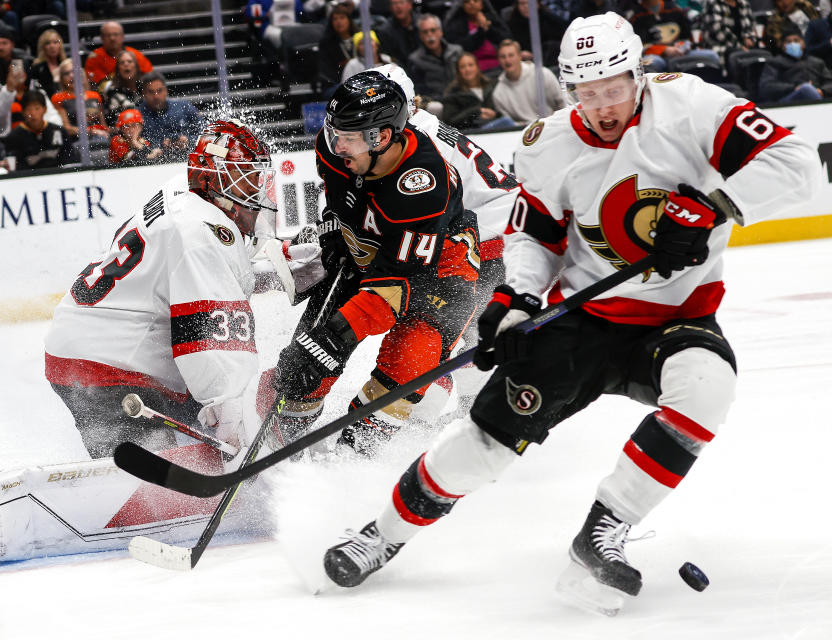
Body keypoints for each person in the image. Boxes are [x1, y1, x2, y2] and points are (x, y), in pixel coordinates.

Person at [321, 12, 820, 616]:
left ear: (639, 74)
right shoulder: (549, 143)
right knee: (485, 444)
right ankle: (381, 534)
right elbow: (537, 237)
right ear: (567, 89)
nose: (604, 106)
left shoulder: (693, 106)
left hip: (676, 318)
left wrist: (715, 206)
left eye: (614, 89)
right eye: (588, 94)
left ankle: (605, 531)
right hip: (585, 319)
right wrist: (516, 299)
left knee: (708, 387)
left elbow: (796, 164)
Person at [0, 119, 278, 569]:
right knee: (187, 466)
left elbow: (217, 268)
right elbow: (209, 344)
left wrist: (284, 266)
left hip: (89, 350)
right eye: (250, 177)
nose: (259, 190)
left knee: (198, 444)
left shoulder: (185, 192)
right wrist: (237, 426)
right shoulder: (200, 232)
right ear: (220, 181)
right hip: (108, 367)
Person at [264, 70, 480, 456]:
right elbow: (338, 199)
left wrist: (334, 336)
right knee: (303, 371)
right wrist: (331, 229)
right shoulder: (335, 148)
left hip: (437, 278)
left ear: (381, 137)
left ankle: (354, 463)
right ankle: (280, 447)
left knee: (404, 371)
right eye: (334, 133)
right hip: (370, 252)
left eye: (347, 138)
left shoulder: (423, 184)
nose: (336, 145)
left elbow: (394, 286)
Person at [372, 63, 519, 411]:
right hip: (490, 235)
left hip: (486, 243)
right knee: (467, 343)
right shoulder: (419, 128)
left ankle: (447, 427)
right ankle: (469, 418)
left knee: (429, 350)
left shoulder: (416, 141)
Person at [490, 39, 564, 124]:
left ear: (520, 56)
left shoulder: (542, 74)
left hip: (552, 125)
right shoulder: (498, 93)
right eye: (503, 57)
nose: (507, 60)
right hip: (522, 133)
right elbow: (509, 124)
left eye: (511, 55)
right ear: (498, 60)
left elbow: (562, 102)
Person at [137, 71, 204, 161]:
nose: (156, 96)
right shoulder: (137, 115)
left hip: (188, 158)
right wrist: (160, 146)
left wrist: (188, 141)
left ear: (166, 90)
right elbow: (134, 142)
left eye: (159, 91)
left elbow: (205, 132)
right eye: (151, 92)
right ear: (143, 93)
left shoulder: (184, 107)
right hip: (154, 163)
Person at [441, 52, 518, 129]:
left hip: (496, 126)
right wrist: (476, 112)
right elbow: (449, 122)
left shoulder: (493, 85)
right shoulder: (452, 93)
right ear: (458, 71)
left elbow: (504, 109)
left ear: (477, 67)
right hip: (471, 132)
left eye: (470, 65)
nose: (467, 69)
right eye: (462, 67)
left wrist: (495, 114)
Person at [758, 25, 832, 101]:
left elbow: (829, 82)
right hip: (789, 101)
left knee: (808, 90)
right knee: (806, 89)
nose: (792, 44)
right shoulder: (775, 62)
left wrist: (822, 91)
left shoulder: (816, 62)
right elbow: (767, 86)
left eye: (796, 41)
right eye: (788, 42)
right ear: (783, 46)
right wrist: (794, 87)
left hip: (819, 97)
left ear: (803, 43)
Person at [3, 89, 67, 169]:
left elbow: (69, 160)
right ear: (23, 112)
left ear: (45, 110)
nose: (33, 113)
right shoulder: (14, 137)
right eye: (29, 109)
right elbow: (15, 166)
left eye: (37, 108)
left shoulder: (59, 131)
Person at [443, 0, 511, 75]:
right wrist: (481, 30)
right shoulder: (456, 25)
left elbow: (507, 39)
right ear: (462, 6)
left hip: (501, 65)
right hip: (473, 70)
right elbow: (461, 47)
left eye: (475, 0)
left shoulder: (493, 19)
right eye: (467, 2)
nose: (472, 4)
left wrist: (488, 28)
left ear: (482, 3)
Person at [408, 14, 464, 100]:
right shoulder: (415, 60)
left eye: (433, 30)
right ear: (420, 36)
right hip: (437, 101)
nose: (430, 35)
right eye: (425, 32)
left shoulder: (456, 51)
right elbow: (419, 91)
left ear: (440, 32)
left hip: (462, 95)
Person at [84, 20, 154, 90]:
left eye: (115, 34)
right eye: (108, 35)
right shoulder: (94, 58)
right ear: (102, 38)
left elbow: (150, 78)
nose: (112, 38)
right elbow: (95, 85)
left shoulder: (135, 55)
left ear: (122, 36)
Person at [51, 58, 109, 141]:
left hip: (100, 138)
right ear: (62, 78)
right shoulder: (58, 98)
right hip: (75, 140)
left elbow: (103, 126)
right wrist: (91, 131)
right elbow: (66, 128)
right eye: (66, 73)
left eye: (74, 71)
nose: (71, 75)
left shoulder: (94, 95)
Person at [698, 0, 759, 67]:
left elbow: (751, 25)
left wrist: (750, 38)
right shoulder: (713, 3)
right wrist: (740, 46)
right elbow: (718, 30)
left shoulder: (744, 3)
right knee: (736, 55)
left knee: (762, 54)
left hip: (743, 46)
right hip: (720, 46)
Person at [317, 1, 358, 87]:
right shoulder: (326, 43)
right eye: (335, 19)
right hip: (337, 84)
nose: (338, 22)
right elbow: (327, 72)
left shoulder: (359, 38)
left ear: (349, 20)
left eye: (342, 18)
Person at [102, 49, 141, 127]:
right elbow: (113, 121)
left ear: (136, 66)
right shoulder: (112, 91)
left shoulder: (145, 87)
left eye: (130, 61)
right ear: (118, 69)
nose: (126, 64)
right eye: (122, 63)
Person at [377, 0, 422, 66]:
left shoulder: (422, 24)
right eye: (394, 3)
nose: (398, 6)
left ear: (410, 5)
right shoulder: (385, 31)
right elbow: (388, 58)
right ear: (390, 7)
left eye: (401, 2)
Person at [29, 28, 67, 97]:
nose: (52, 46)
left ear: (60, 45)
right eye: (48, 43)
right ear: (43, 47)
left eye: (55, 42)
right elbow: (33, 91)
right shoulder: (36, 68)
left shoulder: (67, 65)